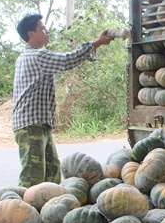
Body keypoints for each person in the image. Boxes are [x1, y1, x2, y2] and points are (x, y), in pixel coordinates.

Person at [12, 13, 112, 187]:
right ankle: (23, 209)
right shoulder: (37, 56)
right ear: (31, 34)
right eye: (42, 28)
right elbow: (67, 60)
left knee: (52, 170)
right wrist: (97, 43)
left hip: (38, 123)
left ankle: (48, 207)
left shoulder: (26, 56)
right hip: (31, 125)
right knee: (32, 175)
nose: (46, 30)